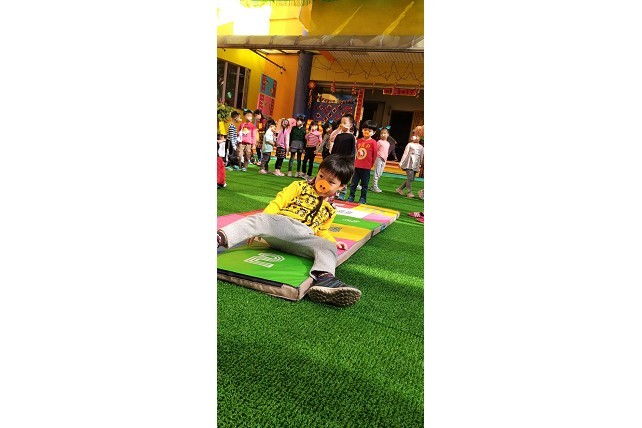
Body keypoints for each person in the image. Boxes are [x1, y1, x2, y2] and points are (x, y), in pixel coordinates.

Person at [217, 155, 362, 307]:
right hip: (281, 225)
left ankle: (325, 279)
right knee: (259, 219)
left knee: (328, 247)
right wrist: (260, 227)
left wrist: (333, 241)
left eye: (331, 182)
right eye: (321, 176)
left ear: (341, 186)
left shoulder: (331, 209)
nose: (323, 183)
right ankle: (219, 238)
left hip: (303, 238)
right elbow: (278, 203)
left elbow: (322, 231)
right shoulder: (300, 186)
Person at [347, 120, 377, 204]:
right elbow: (356, 152)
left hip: (366, 167)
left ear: (374, 132)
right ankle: (351, 196)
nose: (367, 132)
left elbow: (374, 155)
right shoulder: (359, 141)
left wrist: (370, 165)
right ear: (362, 130)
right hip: (357, 166)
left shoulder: (373, 142)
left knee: (365, 184)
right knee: (353, 183)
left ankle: (363, 198)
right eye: (365, 130)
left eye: (369, 131)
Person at [396, 132, 424, 198]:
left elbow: (421, 156)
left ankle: (399, 189)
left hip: (416, 163)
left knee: (411, 179)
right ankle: (409, 192)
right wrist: (401, 162)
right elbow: (405, 154)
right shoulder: (410, 144)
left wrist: (421, 164)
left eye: (417, 136)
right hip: (409, 162)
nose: (415, 137)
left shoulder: (421, 147)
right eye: (414, 136)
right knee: (410, 178)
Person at [371, 126, 390, 193]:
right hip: (378, 158)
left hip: (384, 159)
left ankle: (373, 186)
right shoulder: (379, 142)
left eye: (384, 133)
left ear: (388, 134)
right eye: (381, 133)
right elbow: (375, 150)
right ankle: (375, 186)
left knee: (380, 173)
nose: (383, 135)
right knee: (376, 173)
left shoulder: (388, 143)